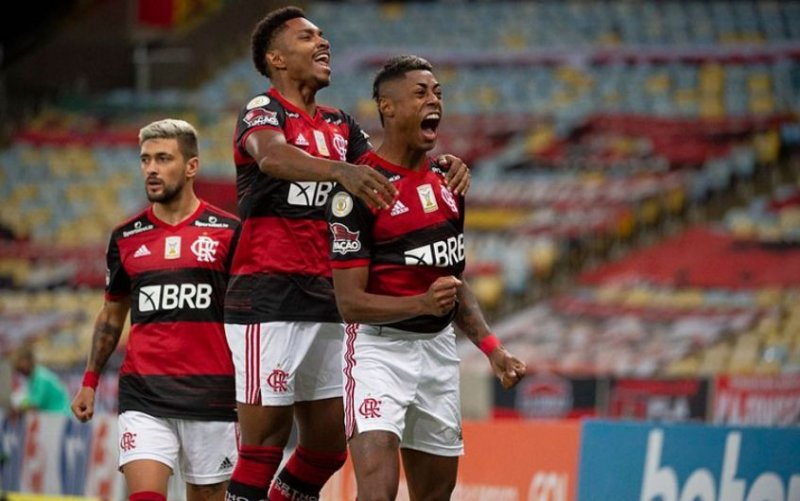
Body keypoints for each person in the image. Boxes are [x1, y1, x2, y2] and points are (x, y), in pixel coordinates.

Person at [223, 7, 472, 501]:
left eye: (322, 35)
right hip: (268, 299)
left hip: (329, 300)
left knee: (327, 448)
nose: (323, 42)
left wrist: (441, 165)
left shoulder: (340, 124)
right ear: (276, 58)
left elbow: (386, 168)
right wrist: (339, 171)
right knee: (263, 446)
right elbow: (271, 156)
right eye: (306, 37)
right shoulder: (262, 110)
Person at [327, 55, 527, 500]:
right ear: (387, 107)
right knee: (377, 493)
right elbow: (349, 304)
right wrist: (420, 304)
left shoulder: (448, 181)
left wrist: (493, 349)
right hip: (378, 352)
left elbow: (453, 284)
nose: (434, 100)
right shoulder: (361, 188)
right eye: (420, 93)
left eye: (438, 93)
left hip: (437, 352)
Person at [71, 119, 240, 501]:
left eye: (163, 158)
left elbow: (248, 316)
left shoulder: (229, 232)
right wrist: (90, 381)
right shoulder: (126, 237)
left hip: (212, 395)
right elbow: (112, 315)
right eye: (145, 159)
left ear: (191, 166)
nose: (151, 169)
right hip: (144, 395)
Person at [10, 342, 71, 415]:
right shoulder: (32, 378)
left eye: (20, 362)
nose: (18, 366)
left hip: (60, 415)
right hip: (51, 415)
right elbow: (29, 400)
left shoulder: (41, 377)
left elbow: (36, 404)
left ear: (29, 361)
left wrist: (18, 409)